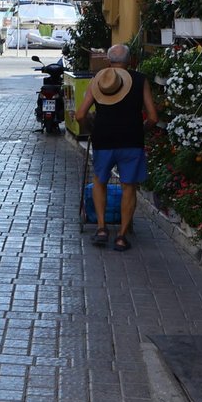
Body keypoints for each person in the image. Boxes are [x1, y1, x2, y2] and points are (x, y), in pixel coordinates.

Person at [73, 44, 158, 252]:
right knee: (129, 186)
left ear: (108, 60)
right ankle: (121, 236)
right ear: (130, 61)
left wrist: (90, 128)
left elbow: (80, 115)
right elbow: (153, 117)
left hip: (103, 139)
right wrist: (142, 129)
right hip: (132, 140)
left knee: (99, 181)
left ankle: (101, 228)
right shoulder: (140, 80)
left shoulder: (99, 79)